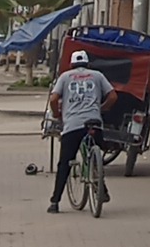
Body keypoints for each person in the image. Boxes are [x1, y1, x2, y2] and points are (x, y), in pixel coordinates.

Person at [47, 49, 109, 210]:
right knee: (94, 155)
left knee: (65, 163)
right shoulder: (97, 75)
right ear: (87, 64)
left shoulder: (65, 77)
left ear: (71, 64)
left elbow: (53, 99)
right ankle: (101, 188)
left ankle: (55, 202)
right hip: (94, 123)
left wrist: (57, 114)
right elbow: (113, 96)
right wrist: (101, 108)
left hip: (72, 126)